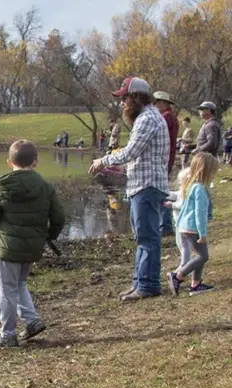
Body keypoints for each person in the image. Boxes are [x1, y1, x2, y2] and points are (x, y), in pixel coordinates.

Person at [89, 77, 170, 301]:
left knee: (147, 237)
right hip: (142, 185)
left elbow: (131, 152)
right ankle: (140, 282)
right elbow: (137, 155)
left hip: (147, 186)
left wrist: (103, 161)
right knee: (143, 236)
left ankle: (148, 285)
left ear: (136, 97)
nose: (122, 102)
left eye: (125, 98)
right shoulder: (147, 117)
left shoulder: (147, 119)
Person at [0, 140, 65, 347]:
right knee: (19, 284)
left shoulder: (1, 185)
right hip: (33, 246)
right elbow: (59, 218)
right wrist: (48, 235)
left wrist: (0, 228)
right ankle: (32, 321)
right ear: (35, 162)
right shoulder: (46, 187)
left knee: (7, 288)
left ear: (9, 162)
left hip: (9, 247)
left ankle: (8, 334)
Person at [166, 152, 217, 296]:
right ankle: (178, 276)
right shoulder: (200, 189)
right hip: (193, 228)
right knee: (203, 256)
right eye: (213, 171)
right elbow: (199, 214)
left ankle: (196, 284)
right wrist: (203, 234)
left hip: (183, 227)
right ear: (205, 171)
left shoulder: (191, 185)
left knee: (200, 255)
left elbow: (184, 206)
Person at [153, 91, 178, 236]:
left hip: (163, 160)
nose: (154, 106)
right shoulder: (171, 117)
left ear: (162, 103)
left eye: (156, 103)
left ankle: (165, 225)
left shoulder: (165, 118)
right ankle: (165, 224)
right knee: (162, 191)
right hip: (168, 158)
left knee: (161, 193)